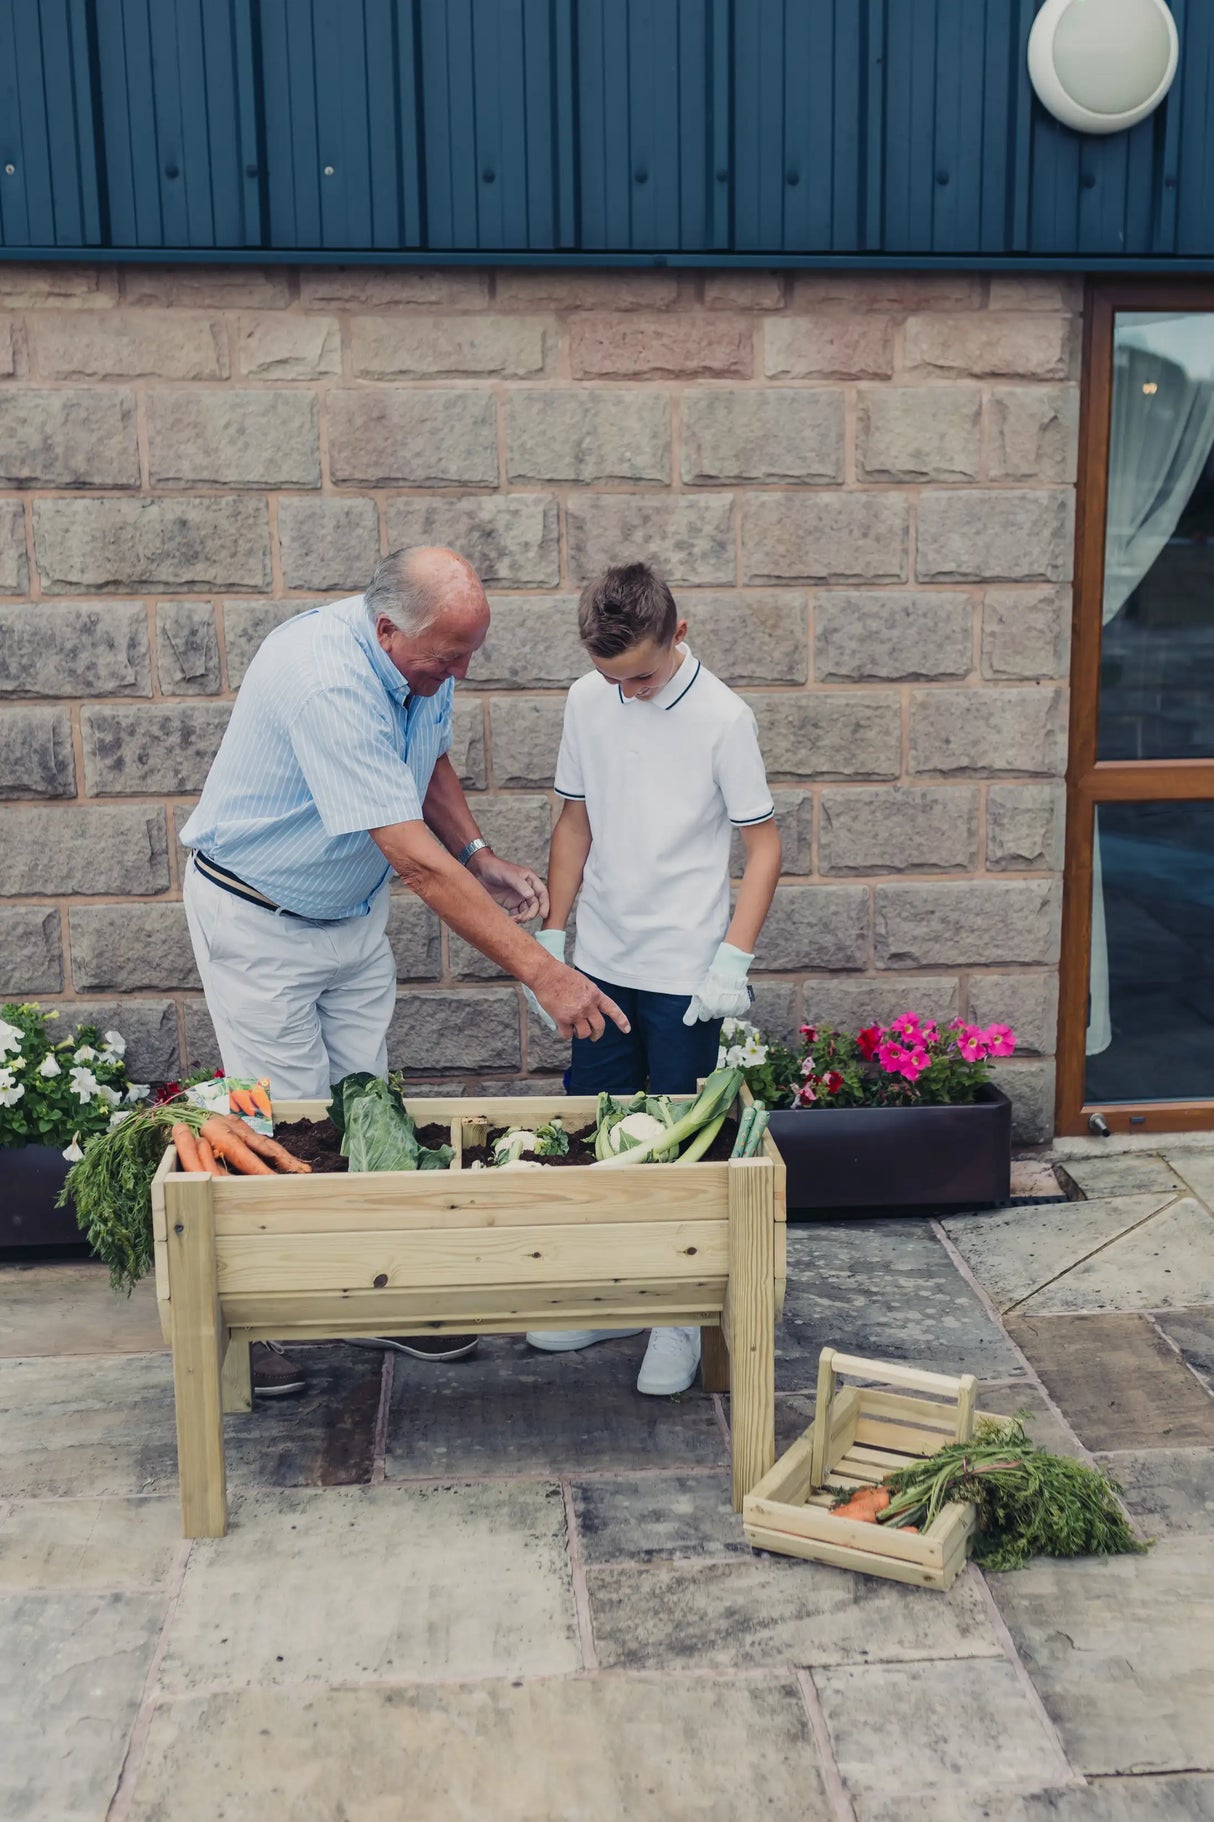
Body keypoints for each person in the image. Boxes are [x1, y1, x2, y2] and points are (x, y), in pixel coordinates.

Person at [181, 546, 628, 1397]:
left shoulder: (421, 658)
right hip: (258, 919)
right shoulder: (326, 682)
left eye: (468, 656)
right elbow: (416, 866)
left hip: (348, 915)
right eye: (447, 658)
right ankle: (262, 1321)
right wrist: (545, 972)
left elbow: (424, 761)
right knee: (285, 1122)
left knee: (367, 1109)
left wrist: (479, 853)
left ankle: (368, 1292)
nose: (459, 674)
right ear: (387, 629)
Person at [523, 562, 781, 1395]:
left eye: (641, 676)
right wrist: (553, 940)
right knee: (602, 1134)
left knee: (680, 1145)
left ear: (679, 633)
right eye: (613, 679)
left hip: (685, 974)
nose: (627, 692)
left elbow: (764, 848)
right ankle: (612, 1293)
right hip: (600, 962)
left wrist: (732, 960)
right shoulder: (586, 699)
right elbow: (575, 822)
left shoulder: (724, 718)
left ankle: (679, 1316)